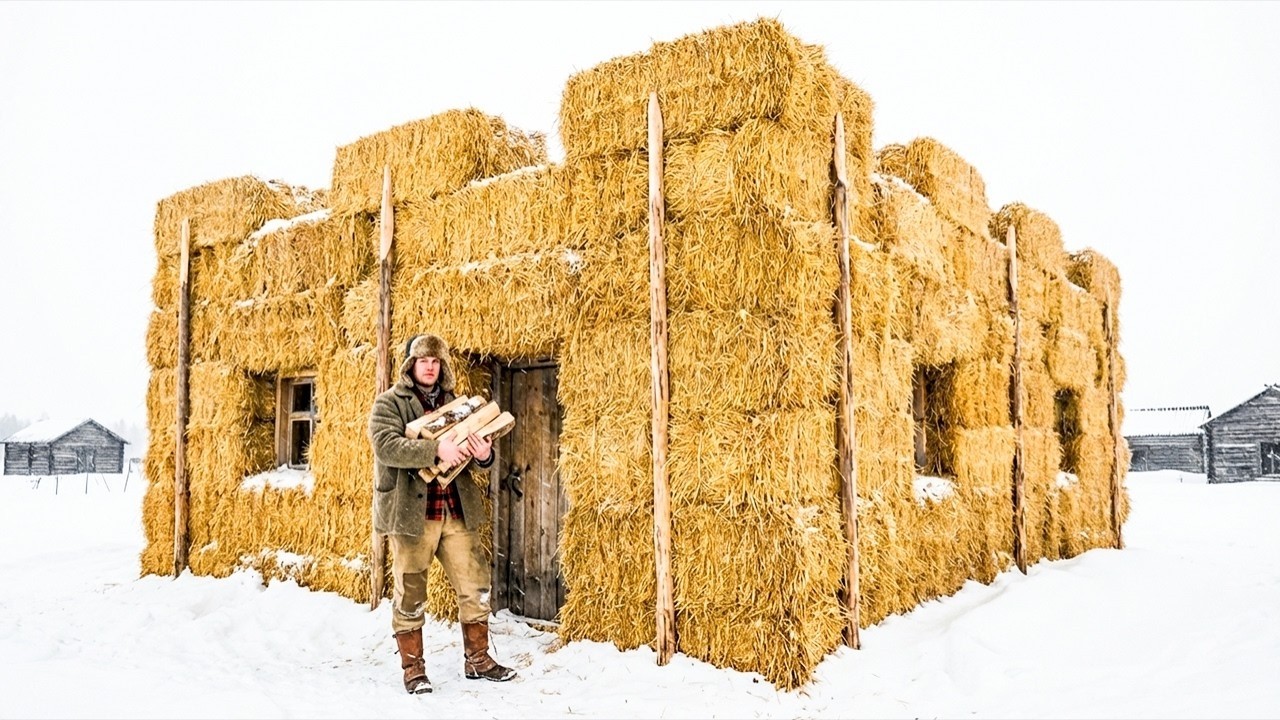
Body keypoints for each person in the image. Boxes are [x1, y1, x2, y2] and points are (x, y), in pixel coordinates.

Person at [369, 332, 517, 694]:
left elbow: (475, 456)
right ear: (411, 365)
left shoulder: (459, 404)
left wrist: (483, 455)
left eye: (435, 361)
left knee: (475, 585)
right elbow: (387, 446)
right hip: (411, 513)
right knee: (411, 590)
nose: (430, 367)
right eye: (423, 361)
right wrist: (435, 450)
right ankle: (413, 669)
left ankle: (478, 659)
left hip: (455, 510)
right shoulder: (390, 403)